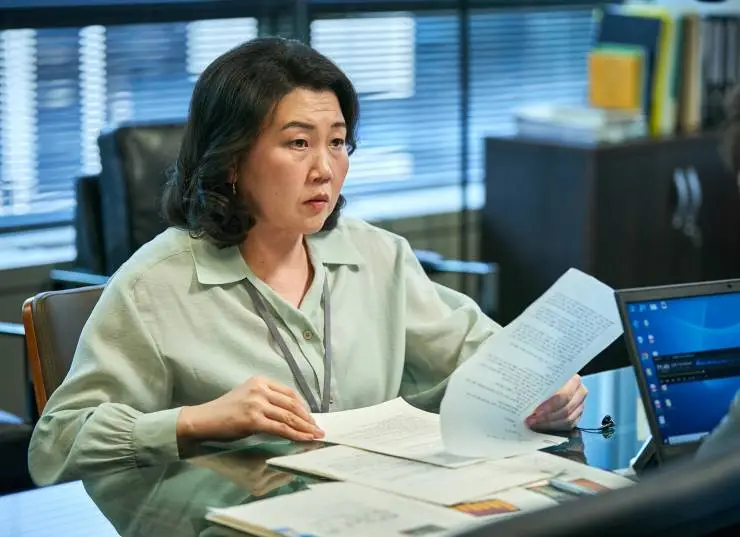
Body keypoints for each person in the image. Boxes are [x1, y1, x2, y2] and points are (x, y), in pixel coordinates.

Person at [28, 37, 587, 486]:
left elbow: (485, 356)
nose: (325, 168)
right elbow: (55, 446)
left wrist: (541, 388)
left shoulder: (377, 255)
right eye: (299, 143)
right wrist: (196, 421)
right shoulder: (155, 285)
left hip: (377, 505)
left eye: (337, 142)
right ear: (230, 161)